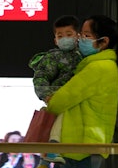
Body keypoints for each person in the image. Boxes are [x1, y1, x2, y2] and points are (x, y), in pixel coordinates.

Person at [46, 15, 118, 168]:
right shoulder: (104, 66)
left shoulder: (97, 68)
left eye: (87, 35)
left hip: (80, 148)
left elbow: (58, 102)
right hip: (87, 145)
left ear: (103, 42)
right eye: (81, 34)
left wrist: (51, 99)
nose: (80, 39)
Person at [28, 15, 82, 168]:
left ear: (77, 36)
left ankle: (45, 160)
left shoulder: (84, 56)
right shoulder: (53, 57)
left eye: (69, 34)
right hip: (58, 98)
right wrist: (46, 95)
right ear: (55, 40)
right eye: (60, 36)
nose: (64, 38)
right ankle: (51, 151)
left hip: (76, 99)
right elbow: (40, 77)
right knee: (57, 123)